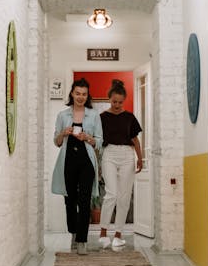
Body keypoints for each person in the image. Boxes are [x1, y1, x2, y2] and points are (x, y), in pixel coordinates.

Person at [51, 78, 103, 255]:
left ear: (87, 96)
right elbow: (56, 142)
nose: (80, 97)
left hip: (86, 161)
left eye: (84, 94)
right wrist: (63, 133)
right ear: (72, 94)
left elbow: (99, 142)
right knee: (70, 200)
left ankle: (82, 240)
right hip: (68, 161)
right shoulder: (62, 115)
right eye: (77, 93)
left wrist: (87, 137)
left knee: (84, 200)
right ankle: (73, 231)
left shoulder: (94, 115)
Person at [97, 79, 143, 250]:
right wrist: (97, 162)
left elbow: (135, 140)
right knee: (111, 194)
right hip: (109, 153)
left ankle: (118, 234)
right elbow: (98, 141)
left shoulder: (129, 117)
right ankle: (103, 232)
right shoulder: (101, 118)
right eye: (114, 101)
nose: (117, 105)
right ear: (110, 99)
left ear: (124, 100)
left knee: (124, 197)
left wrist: (140, 158)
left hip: (127, 155)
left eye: (120, 102)